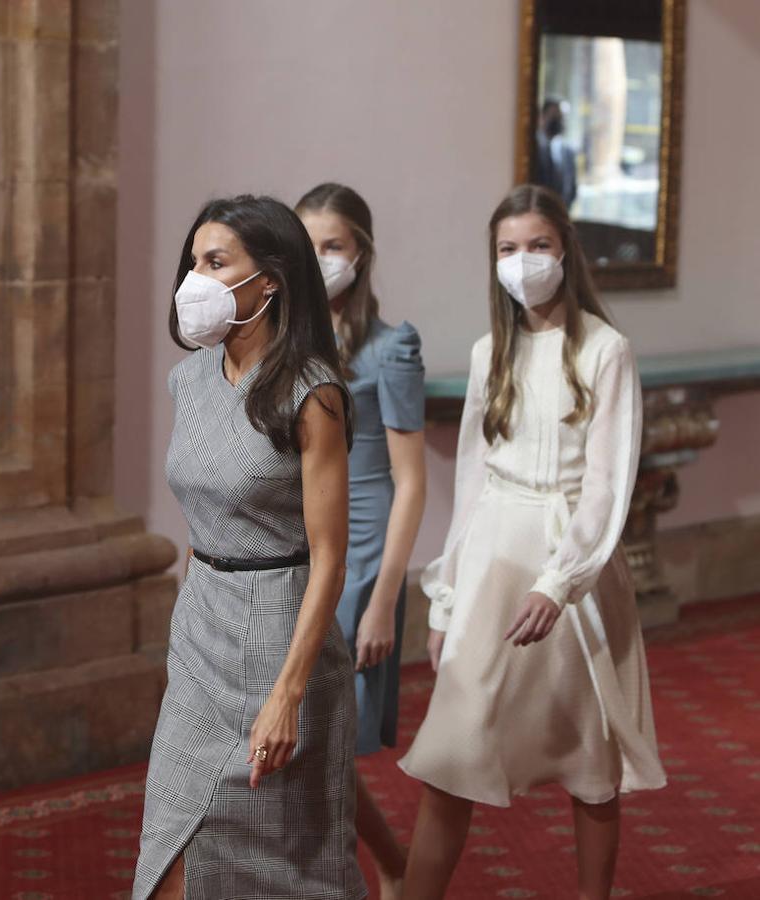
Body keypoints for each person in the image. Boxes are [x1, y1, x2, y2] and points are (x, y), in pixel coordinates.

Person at [398, 184, 666, 900]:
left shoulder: (607, 350)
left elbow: (608, 484)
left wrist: (559, 581)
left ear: (565, 251)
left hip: (571, 571)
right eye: (507, 250)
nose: (524, 262)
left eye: (538, 246)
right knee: (453, 749)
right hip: (490, 563)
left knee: (588, 758)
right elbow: (475, 486)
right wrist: (445, 600)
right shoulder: (493, 352)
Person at [133, 195, 366, 899]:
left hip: (281, 634)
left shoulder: (311, 394)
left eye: (215, 262)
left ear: (269, 280)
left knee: (287, 863)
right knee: (170, 852)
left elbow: (329, 555)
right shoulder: (189, 378)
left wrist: (287, 693)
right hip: (203, 627)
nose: (194, 279)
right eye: (193, 262)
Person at [296, 184, 426, 899]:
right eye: (306, 245)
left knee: (325, 747)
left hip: (363, 556)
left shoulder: (390, 348)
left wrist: (384, 599)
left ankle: (380, 869)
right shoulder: (289, 341)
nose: (319, 262)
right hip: (300, 550)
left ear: (361, 254)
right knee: (308, 744)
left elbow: (411, 483)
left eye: (333, 246)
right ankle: (391, 865)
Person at [536, 98, 579, 208]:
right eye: (554, 116)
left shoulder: (568, 152)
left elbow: (572, 189)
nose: (559, 121)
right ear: (543, 117)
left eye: (561, 117)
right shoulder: (534, 149)